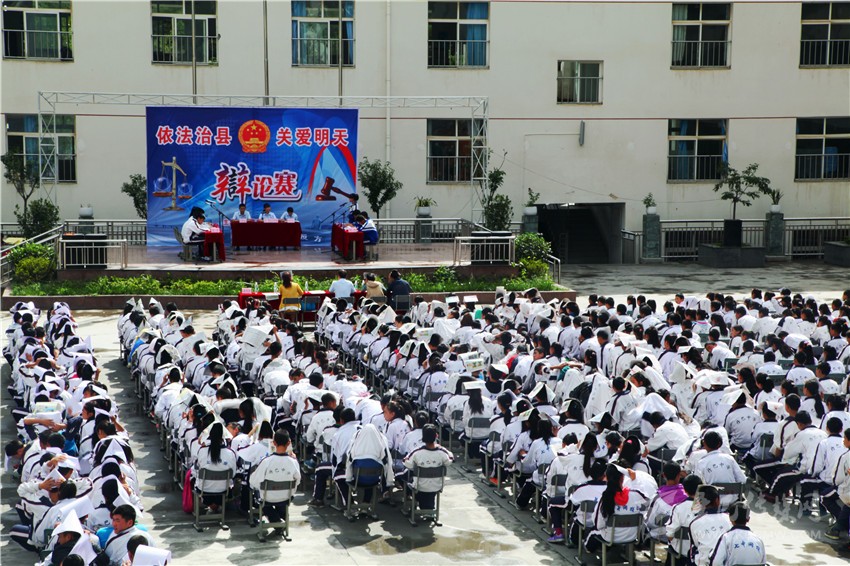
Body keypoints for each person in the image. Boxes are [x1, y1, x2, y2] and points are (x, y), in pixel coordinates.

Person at [249, 429, 301, 535]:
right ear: (289, 443)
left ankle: (276, 520)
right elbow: (298, 480)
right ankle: (280, 518)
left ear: (274, 443)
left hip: (268, 498)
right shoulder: (293, 462)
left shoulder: (266, 461)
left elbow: (253, 481)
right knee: (279, 499)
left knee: (260, 496)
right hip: (286, 497)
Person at [402, 424, 453, 511]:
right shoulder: (442, 452)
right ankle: (428, 508)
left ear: (423, 437)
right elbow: (450, 460)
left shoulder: (417, 452)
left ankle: (416, 504)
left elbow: (406, 463)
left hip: (420, 487)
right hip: (437, 486)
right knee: (430, 489)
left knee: (406, 475)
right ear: (436, 436)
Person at [707, 502, 766, 566]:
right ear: (748, 519)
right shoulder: (759, 541)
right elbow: (763, 563)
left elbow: (716, 563)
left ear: (730, 518)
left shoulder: (726, 538)